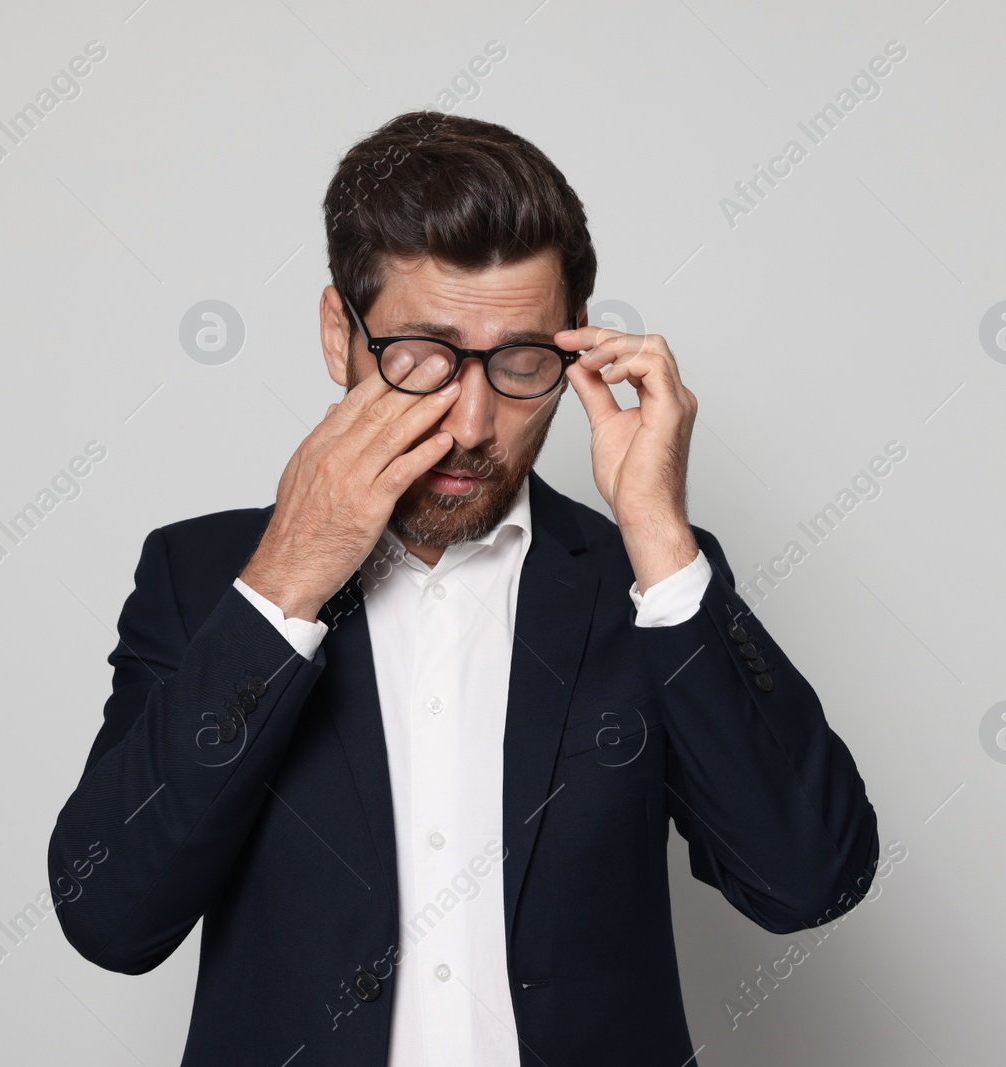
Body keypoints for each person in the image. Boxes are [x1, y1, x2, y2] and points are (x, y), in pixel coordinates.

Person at [47, 111, 879, 1066]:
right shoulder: (204, 582)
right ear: (339, 335)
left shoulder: (648, 586)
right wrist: (286, 583)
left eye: (522, 362)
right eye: (423, 359)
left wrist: (658, 532)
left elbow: (813, 879)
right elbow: (108, 917)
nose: (474, 422)